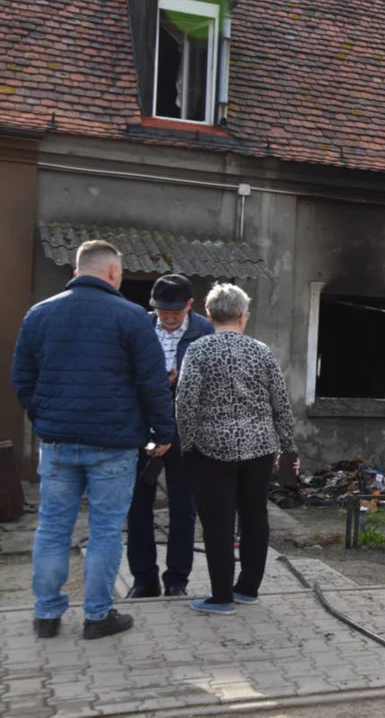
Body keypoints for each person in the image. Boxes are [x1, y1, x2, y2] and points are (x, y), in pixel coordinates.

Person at [11, 240, 174, 640]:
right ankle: (97, 616)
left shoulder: (39, 314)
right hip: (114, 445)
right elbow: (152, 383)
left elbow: (22, 379)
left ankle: (46, 616)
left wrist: (45, 417)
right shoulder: (133, 317)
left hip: (58, 443)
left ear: (76, 270)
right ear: (114, 273)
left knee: (52, 528)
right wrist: (164, 431)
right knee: (104, 530)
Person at [175, 283, 297, 615]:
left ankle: (221, 597)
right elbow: (281, 405)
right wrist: (288, 449)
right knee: (255, 515)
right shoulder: (262, 351)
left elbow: (185, 403)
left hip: (211, 449)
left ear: (209, 314)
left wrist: (186, 444)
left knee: (218, 521)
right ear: (243, 316)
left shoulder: (198, 351)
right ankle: (248, 589)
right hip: (259, 448)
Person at [126, 274, 214, 599]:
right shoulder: (140, 326)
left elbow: (213, 384)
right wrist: (151, 384)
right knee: (138, 506)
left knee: (183, 507)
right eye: (163, 311)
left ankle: (177, 579)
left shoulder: (204, 331)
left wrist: (182, 384)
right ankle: (143, 579)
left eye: (176, 311)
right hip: (144, 430)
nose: (169, 317)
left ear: (190, 305)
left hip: (185, 432)